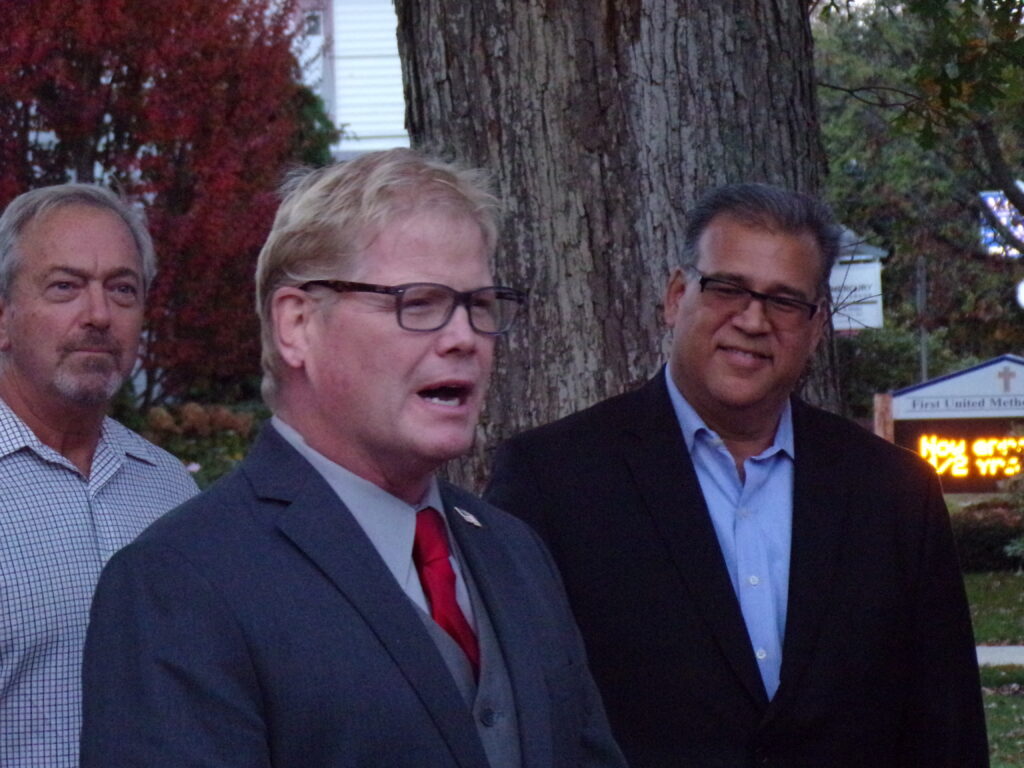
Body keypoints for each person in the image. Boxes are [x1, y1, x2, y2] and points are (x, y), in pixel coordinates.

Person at [80, 148, 626, 768]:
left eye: (479, 305)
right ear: (297, 325)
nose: (464, 338)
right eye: (418, 302)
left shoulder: (515, 551)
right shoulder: (179, 581)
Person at [486, 183, 989, 767]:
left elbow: (946, 725)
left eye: (784, 301)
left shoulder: (894, 490)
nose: (753, 320)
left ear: (816, 327)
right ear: (677, 296)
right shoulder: (553, 478)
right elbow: (518, 720)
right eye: (727, 288)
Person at [0, 184, 198, 768]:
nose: (99, 315)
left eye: (122, 289)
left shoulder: (171, 492)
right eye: (65, 287)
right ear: (3, 316)